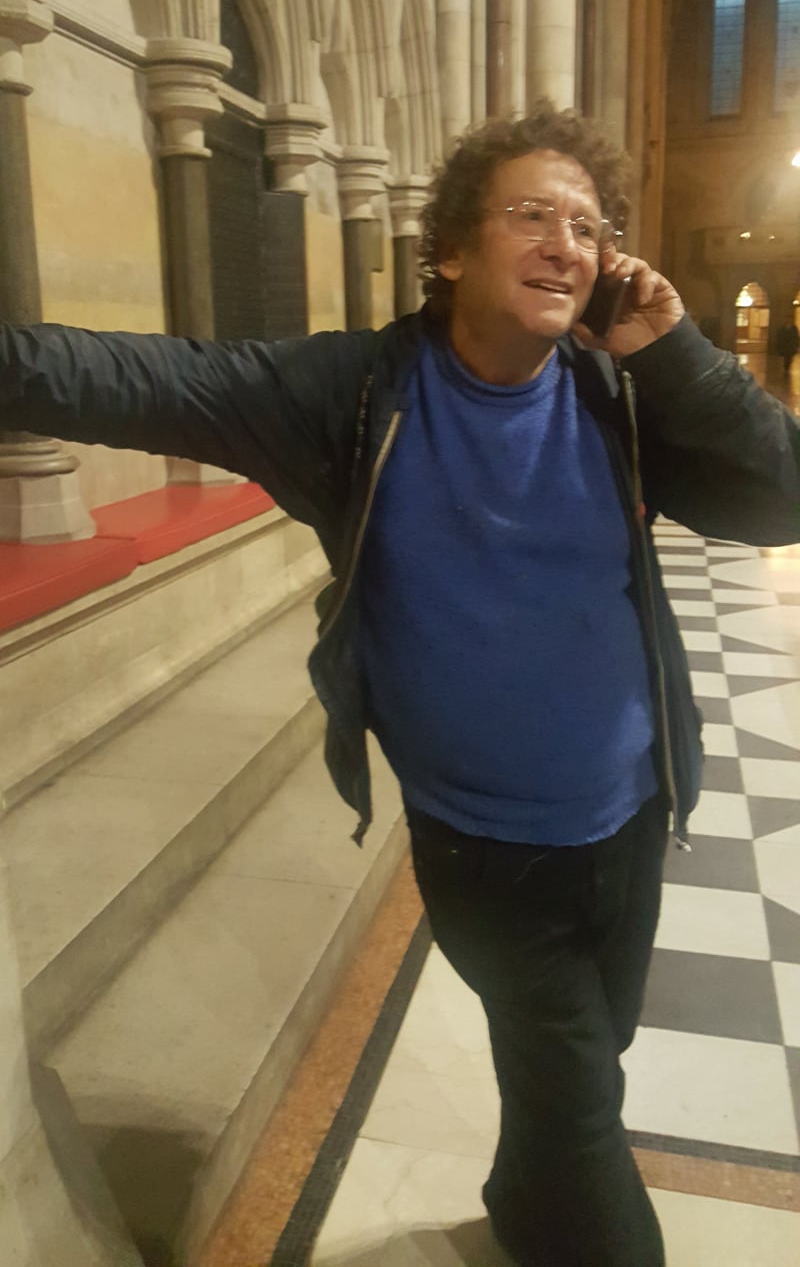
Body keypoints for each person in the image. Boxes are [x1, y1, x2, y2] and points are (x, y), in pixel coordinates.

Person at [1, 103, 799, 1267]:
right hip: (484, 846)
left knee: (581, 1065)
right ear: (451, 248)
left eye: (587, 227)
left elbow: (780, 499)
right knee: (581, 1109)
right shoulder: (354, 394)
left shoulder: (616, 391)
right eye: (531, 214)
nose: (565, 245)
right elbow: (141, 378)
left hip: (627, 819)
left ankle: (520, 1205)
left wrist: (671, 352)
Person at [776, 312, 799, 378]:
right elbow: (779, 337)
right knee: (786, 358)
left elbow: (796, 337)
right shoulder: (782, 328)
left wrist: (797, 346)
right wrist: (779, 346)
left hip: (791, 346)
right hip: (785, 346)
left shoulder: (794, 328)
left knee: (789, 358)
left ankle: (786, 368)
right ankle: (786, 369)